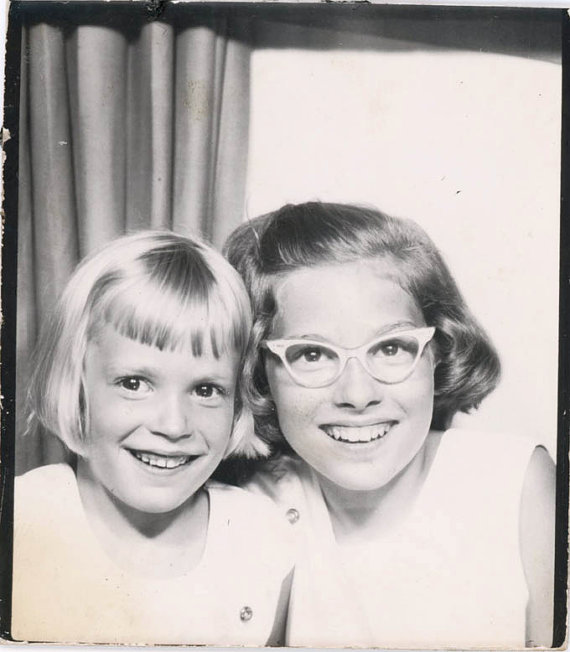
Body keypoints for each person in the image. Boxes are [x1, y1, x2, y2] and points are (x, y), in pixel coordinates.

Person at [224, 201, 555, 648]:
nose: (358, 395)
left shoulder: (513, 484)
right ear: (259, 371)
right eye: (312, 354)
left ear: (438, 351)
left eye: (391, 348)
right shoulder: (244, 510)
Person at [12, 231, 292, 646]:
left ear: (238, 403)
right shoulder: (21, 520)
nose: (173, 425)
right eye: (134, 383)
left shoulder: (262, 537)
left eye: (205, 390)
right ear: (77, 386)